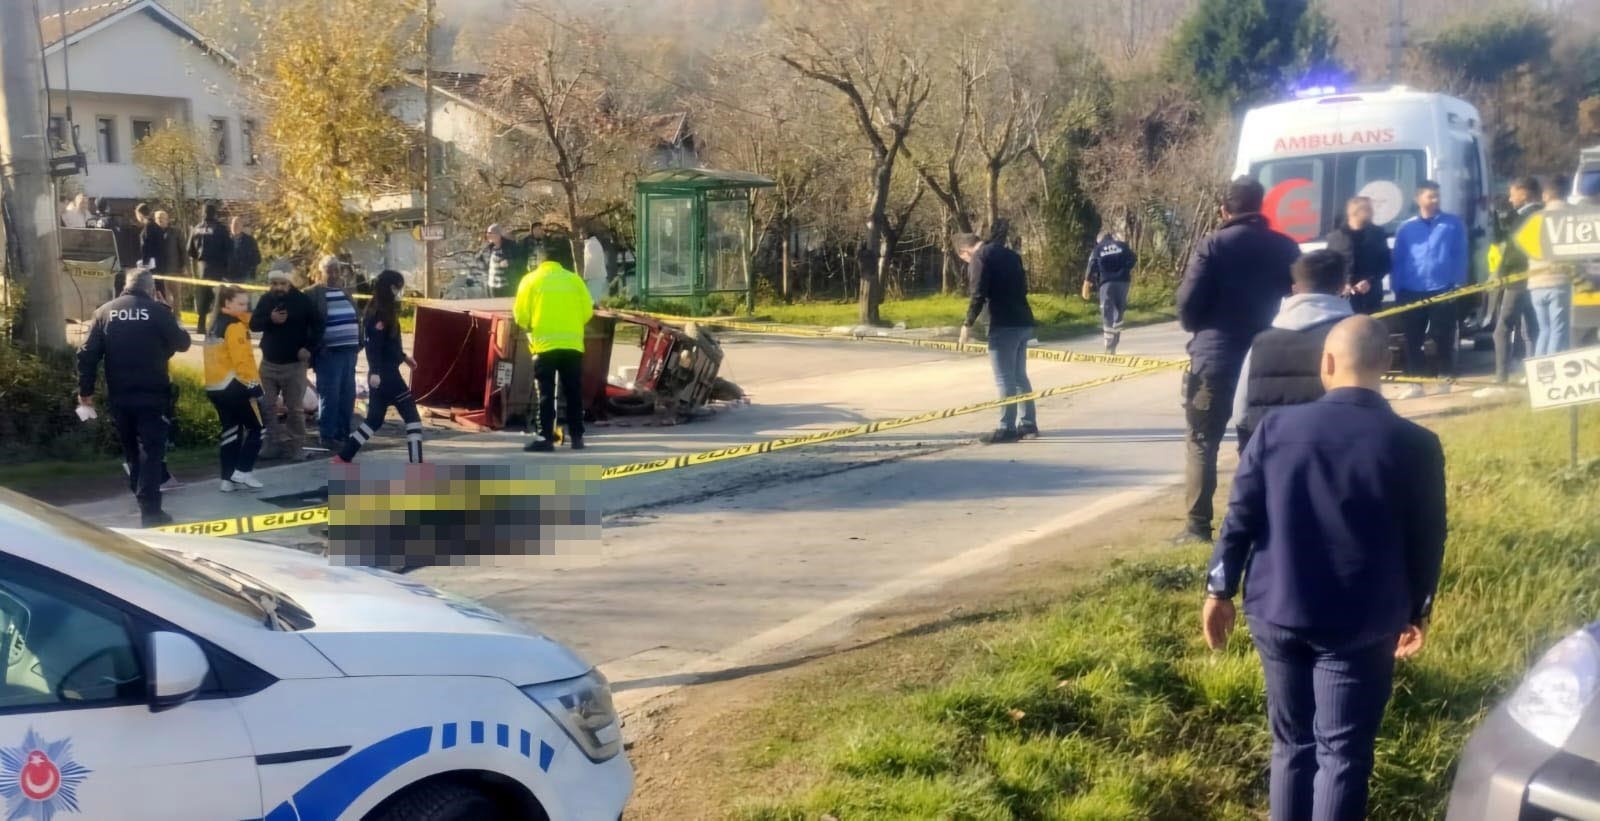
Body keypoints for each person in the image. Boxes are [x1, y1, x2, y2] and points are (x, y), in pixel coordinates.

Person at [1202, 314, 1446, 821]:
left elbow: (1239, 518)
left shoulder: (1275, 430)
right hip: (1362, 623)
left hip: (1277, 610)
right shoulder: (1416, 445)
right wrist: (1419, 609)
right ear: (1387, 364)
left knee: (1290, 744)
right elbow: (1427, 537)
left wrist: (1219, 590)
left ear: (1327, 363)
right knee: (1343, 753)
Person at [1174, 177, 1299, 543]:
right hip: (1267, 356)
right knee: (1258, 439)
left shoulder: (1212, 245)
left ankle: (1198, 527)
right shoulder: (1285, 247)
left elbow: (1186, 304)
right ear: (1261, 207)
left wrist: (1199, 326)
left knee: (1202, 438)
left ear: (1224, 210)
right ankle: (1254, 520)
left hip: (1214, 355)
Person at [76, 268, 193, 526]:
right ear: (152, 290)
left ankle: (142, 498)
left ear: (124, 287)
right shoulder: (158, 312)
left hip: (120, 395)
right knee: (151, 450)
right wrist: (169, 312)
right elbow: (183, 343)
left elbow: (87, 354)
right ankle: (150, 511)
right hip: (153, 394)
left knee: (132, 450)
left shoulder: (104, 312)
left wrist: (85, 391)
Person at [1232, 249, 1353, 450]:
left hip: (1272, 455)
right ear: (1342, 287)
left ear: (1295, 289)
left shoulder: (1261, 342)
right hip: (1333, 455)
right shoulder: (1352, 338)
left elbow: (1241, 413)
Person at [955, 231, 1038, 444]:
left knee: (1004, 378)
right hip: (1023, 319)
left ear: (965, 252)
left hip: (1002, 323)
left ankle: (1006, 427)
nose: (966, 263)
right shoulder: (1010, 254)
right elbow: (1024, 287)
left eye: (964, 260)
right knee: (1020, 376)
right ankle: (1028, 424)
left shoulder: (980, 258)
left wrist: (967, 323)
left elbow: (978, 293)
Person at [513, 242, 595, 452]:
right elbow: (587, 311)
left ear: (540, 261)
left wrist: (531, 325)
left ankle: (546, 438)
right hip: (572, 345)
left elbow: (520, 315)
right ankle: (577, 437)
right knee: (573, 391)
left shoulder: (530, 281)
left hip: (544, 345)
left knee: (546, 393)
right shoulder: (574, 280)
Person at [337, 270, 423, 464]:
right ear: (390, 288)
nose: (399, 292)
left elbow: (388, 344)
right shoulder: (379, 315)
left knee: (374, 420)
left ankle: (344, 456)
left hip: (381, 375)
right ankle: (416, 463)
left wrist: (404, 357)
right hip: (387, 376)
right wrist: (375, 371)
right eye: (398, 288)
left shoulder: (381, 309)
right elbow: (373, 346)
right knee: (412, 417)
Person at [1391, 181, 1468, 381]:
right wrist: (1397, 288)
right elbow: (1399, 259)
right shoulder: (1406, 228)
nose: (1435, 200)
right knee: (1412, 338)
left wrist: (1458, 283)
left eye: (1437, 196)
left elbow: (1460, 254)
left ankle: (1445, 375)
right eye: (1430, 196)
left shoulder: (1452, 223)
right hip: (1411, 289)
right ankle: (1415, 380)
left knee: (1443, 336)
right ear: (1418, 199)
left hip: (1443, 288)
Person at [250, 268, 323, 461]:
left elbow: (319, 326)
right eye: (275, 283)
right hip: (269, 362)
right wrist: (270, 319)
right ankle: (272, 443)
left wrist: (309, 348)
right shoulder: (266, 300)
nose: (278, 288)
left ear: (290, 284)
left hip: (294, 364)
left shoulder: (302, 300)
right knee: (266, 405)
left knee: (295, 409)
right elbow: (253, 324)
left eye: (282, 283)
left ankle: (295, 447)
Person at [203, 285, 266, 492]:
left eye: (246, 304)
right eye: (240, 304)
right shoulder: (235, 327)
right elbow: (242, 362)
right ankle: (242, 471)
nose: (244, 308)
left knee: (231, 431)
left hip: (215, 387)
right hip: (235, 386)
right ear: (226, 303)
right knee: (258, 428)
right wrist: (254, 387)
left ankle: (226, 479)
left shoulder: (213, 324)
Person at [307, 255, 364, 448]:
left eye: (336, 270)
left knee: (347, 394)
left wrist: (359, 341)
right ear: (320, 273)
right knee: (330, 395)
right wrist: (316, 346)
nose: (333, 274)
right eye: (329, 270)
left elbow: (357, 318)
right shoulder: (313, 294)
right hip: (328, 353)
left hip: (349, 352)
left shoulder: (345, 292)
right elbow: (306, 323)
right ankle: (327, 435)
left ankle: (343, 432)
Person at [1490, 177, 1543, 384]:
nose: (1510, 199)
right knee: (1532, 327)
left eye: (1513, 193)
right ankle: (1534, 372)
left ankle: (1501, 378)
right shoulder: (1538, 214)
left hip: (1519, 280)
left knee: (1502, 328)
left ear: (1525, 193)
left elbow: (1514, 252)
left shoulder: (1527, 217)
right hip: (1535, 278)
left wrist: (1502, 274)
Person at [1528, 176, 1575, 356]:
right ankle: (1551, 370)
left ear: (1546, 195)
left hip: (1535, 283)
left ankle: (1538, 370)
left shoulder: (1536, 217)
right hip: (1559, 282)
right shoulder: (1572, 217)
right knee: (1558, 331)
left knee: (1544, 330)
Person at [1321, 197, 1389, 315]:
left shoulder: (1378, 234)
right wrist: (1343, 284)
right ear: (1355, 213)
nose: (1372, 212)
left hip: (1371, 296)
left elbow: (1386, 263)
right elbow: (1329, 266)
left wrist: (1369, 281)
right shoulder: (1336, 237)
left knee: (1371, 331)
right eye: (1368, 209)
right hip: (1343, 298)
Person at [1083, 231, 1137, 354]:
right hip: (1123, 282)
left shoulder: (1098, 248)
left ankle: (1108, 345)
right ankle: (1115, 341)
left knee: (1107, 312)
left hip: (1107, 282)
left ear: (1099, 240)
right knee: (1119, 310)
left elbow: (1092, 264)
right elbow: (1133, 258)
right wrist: (1124, 269)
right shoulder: (1122, 246)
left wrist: (1088, 282)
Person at [188, 203, 233, 335]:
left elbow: (190, 251)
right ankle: (218, 326)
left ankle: (201, 325)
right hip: (218, 267)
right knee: (219, 298)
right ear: (215, 213)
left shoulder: (196, 229)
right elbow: (230, 249)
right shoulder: (221, 229)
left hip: (202, 267)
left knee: (203, 298)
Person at [484, 224, 530, 299]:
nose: (488, 235)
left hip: (507, 286)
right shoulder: (489, 248)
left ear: (498, 235)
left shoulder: (510, 246)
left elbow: (521, 261)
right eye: (487, 233)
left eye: (490, 233)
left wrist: (509, 262)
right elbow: (485, 264)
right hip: (492, 286)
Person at [228, 216, 262, 283]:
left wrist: (247, 266)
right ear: (230, 226)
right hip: (228, 277)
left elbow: (257, 258)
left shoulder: (250, 241)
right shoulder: (225, 240)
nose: (235, 226)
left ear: (242, 226)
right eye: (233, 224)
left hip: (243, 277)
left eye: (237, 224)